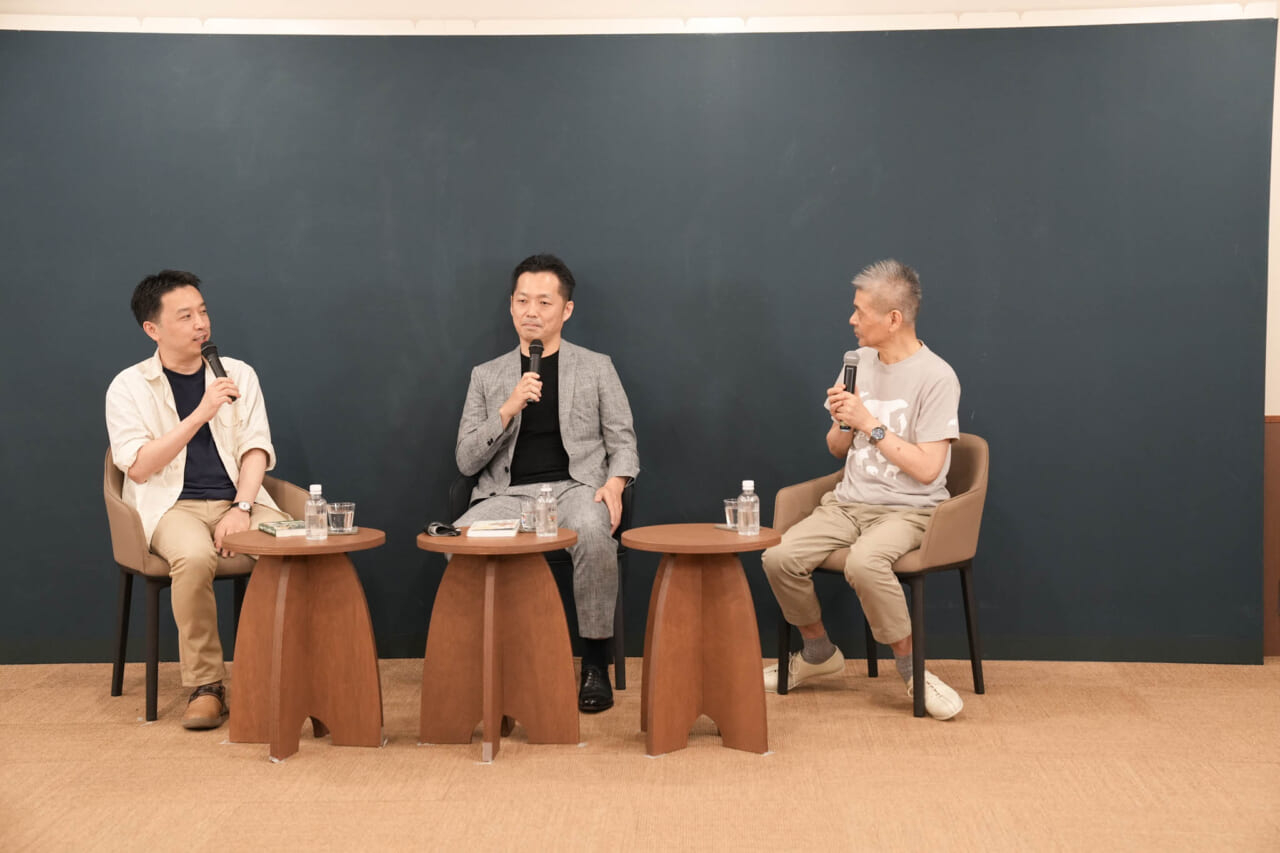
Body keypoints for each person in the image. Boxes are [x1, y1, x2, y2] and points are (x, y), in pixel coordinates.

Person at [761, 259, 965, 720]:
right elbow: (836, 449)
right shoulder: (857, 363)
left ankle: (912, 670)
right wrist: (843, 421)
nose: (851, 320)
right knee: (778, 556)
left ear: (893, 319)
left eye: (860, 312)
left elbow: (929, 470)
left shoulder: (937, 377)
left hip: (909, 510)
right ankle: (818, 651)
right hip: (848, 504)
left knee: (864, 562)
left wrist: (869, 423)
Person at [453, 254, 639, 713]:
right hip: (507, 495)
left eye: (543, 302)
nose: (531, 311)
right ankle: (486, 660)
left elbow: (623, 440)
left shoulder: (596, 367)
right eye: (522, 301)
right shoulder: (487, 376)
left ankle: (593, 662)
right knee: (458, 539)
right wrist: (508, 408)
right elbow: (466, 460)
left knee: (593, 530)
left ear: (566, 310)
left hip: (576, 488)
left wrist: (616, 483)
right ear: (511, 306)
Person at [105, 270, 289, 730]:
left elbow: (256, 449)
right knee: (193, 556)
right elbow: (139, 466)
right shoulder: (128, 386)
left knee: (296, 545)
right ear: (152, 328)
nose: (201, 324)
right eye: (185, 316)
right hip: (171, 507)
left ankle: (283, 671)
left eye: (203, 312)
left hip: (239, 501)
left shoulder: (238, 373)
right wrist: (201, 413)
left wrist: (241, 508)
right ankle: (207, 687)